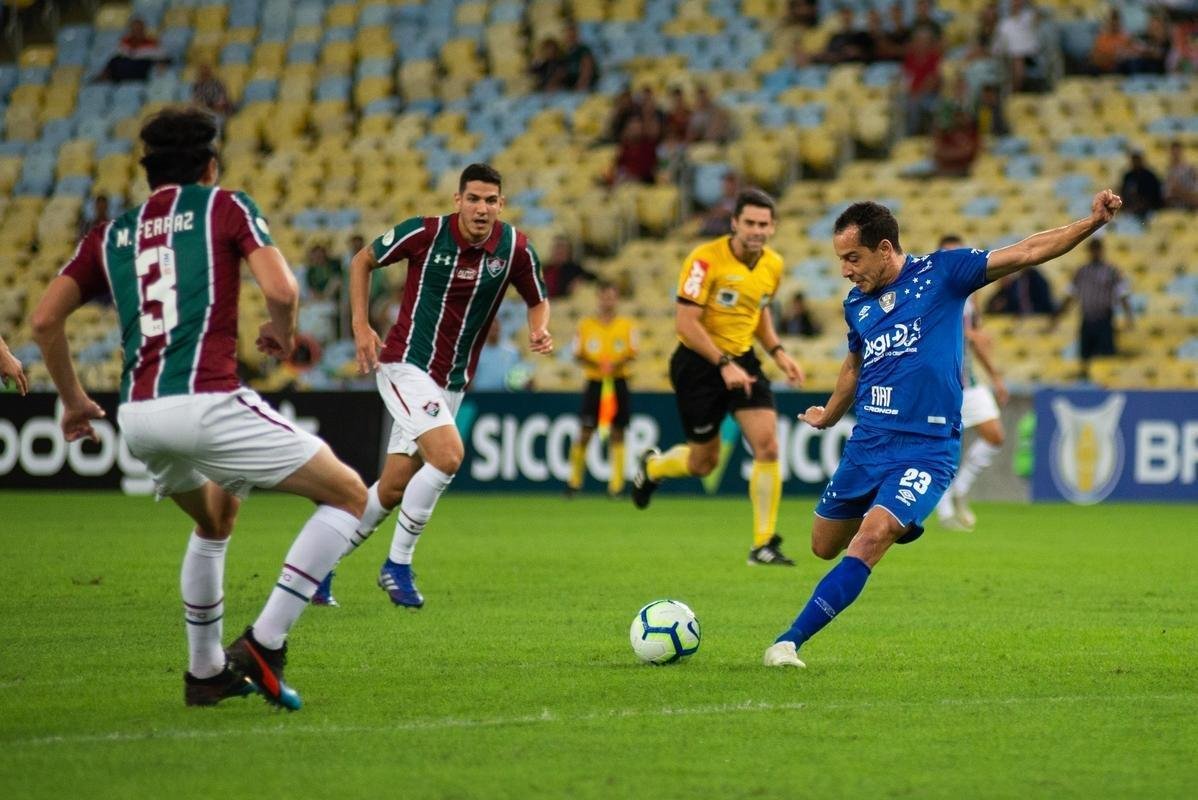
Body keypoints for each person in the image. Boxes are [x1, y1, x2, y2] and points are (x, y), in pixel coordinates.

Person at [28, 106, 368, 708]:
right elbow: (284, 289)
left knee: (215, 519)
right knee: (349, 497)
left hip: (138, 414)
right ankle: (266, 641)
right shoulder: (225, 205)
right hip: (207, 399)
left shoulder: (110, 234)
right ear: (210, 165)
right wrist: (282, 333)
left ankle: (206, 672)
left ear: (146, 173)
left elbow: (44, 319)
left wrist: (75, 400)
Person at [762, 188, 1123, 668]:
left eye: (854, 258)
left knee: (871, 538)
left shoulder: (944, 273)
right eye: (841, 260)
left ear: (885, 249)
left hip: (926, 449)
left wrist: (1091, 221)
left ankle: (788, 642)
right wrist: (829, 414)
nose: (846, 270)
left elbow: (1029, 250)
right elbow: (854, 363)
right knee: (823, 546)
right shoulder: (857, 303)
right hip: (868, 443)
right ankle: (897, 515)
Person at [346, 163, 552, 609]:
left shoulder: (515, 247)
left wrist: (539, 329)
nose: (482, 208)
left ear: (501, 204)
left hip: (452, 381)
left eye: (491, 200)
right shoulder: (423, 233)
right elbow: (362, 260)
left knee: (393, 487)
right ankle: (397, 564)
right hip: (405, 364)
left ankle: (316, 568)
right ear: (458, 200)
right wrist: (361, 327)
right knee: (449, 456)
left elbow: (537, 300)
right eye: (473, 199)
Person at [632, 189, 805, 565]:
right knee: (702, 463)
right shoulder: (704, 260)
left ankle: (763, 544)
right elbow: (685, 322)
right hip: (698, 364)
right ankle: (652, 467)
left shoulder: (772, 265)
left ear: (773, 227)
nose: (757, 230)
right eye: (750, 223)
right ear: (734, 224)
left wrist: (778, 352)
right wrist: (722, 362)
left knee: (768, 445)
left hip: (743, 360)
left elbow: (758, 312)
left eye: (764, 224)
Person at [932, 236, 1009, 532]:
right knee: (943, 447)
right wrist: (970, 335)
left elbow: (976, 340)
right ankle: (944, 510)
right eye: (948, 254)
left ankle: (960, 489)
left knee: (995, 435)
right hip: (943, 385)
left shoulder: (971, 296)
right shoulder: (933, 290)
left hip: (971, 382)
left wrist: (996, 377)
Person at [566, 282, 638, 498]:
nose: (608, 301)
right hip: (595, 382)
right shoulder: (586, 325)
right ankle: (574, 482)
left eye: (612, 297)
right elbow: (577, 352)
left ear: (617, 300)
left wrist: (614, 365)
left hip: (617, 381)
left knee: (618, 431)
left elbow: (633, 351)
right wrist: (598, 364)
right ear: (598, 298)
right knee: (585, 431)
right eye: (605, 297)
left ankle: (616, 486)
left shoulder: (627, 325)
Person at [1050, 238, 1135, 380]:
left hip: (1104, 320)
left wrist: (1129, 317)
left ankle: (1105, 383)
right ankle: (1086, 383)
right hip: (1087, 319)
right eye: (1092, 249)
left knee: (1106, 358)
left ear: (1102, 250)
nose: (1095, 253)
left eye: (1097, 249)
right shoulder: (1081, 272)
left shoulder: (1112, 271)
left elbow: (1123, 295)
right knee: (1085, 357)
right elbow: (1070, 295)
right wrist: (1058, 317)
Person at [94, 17, 168, 83]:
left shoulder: (151, 43)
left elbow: (163, 58)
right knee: (114, 60)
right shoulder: (125, 42)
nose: (136, 32)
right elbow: (116, 57)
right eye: (134, 29)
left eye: (139, 29)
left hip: (139, 72)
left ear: (143, 30)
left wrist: (161, 64)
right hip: (122, 71)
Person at [472, 321, 532, 391]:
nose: (493, 332)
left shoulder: (513, 351)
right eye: (490, 329)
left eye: (495, 329)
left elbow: (520, 372)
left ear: (499, 329)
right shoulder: (476, 351)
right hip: (480, 394)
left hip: (505, 395)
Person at [984, 267, 1055, 315]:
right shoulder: (1013, 285)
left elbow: (1044, 301)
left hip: (1038, 317)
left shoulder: (1038, 280)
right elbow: (991, 307)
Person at [1118, 150, 1164, 221]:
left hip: (1149, 210)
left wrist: (1140, 205)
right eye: (1134, 159)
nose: (1135, 161)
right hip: (1130, 209)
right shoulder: (1128, 176)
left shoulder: (1150, 176)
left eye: (1137, 159)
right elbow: (1123, 193)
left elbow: (1154, 196)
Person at [561, 24, 599, 92]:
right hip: (569, 87)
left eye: (572, 35)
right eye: (568, 35)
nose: (570, 38)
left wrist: (581, 85)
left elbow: (587, 69)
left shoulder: (584, 49)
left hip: (584, 87)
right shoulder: (562, 52)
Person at [1164, 141, 1198, 209]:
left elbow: (1195, 198)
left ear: (1181, 152)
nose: (1175, 155)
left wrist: (1179, 192)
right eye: (1173, 152)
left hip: (1190, 207)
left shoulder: (1190, 170)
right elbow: (1168, 198)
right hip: (1175, 209)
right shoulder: (1168, 172)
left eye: (1177, 152)